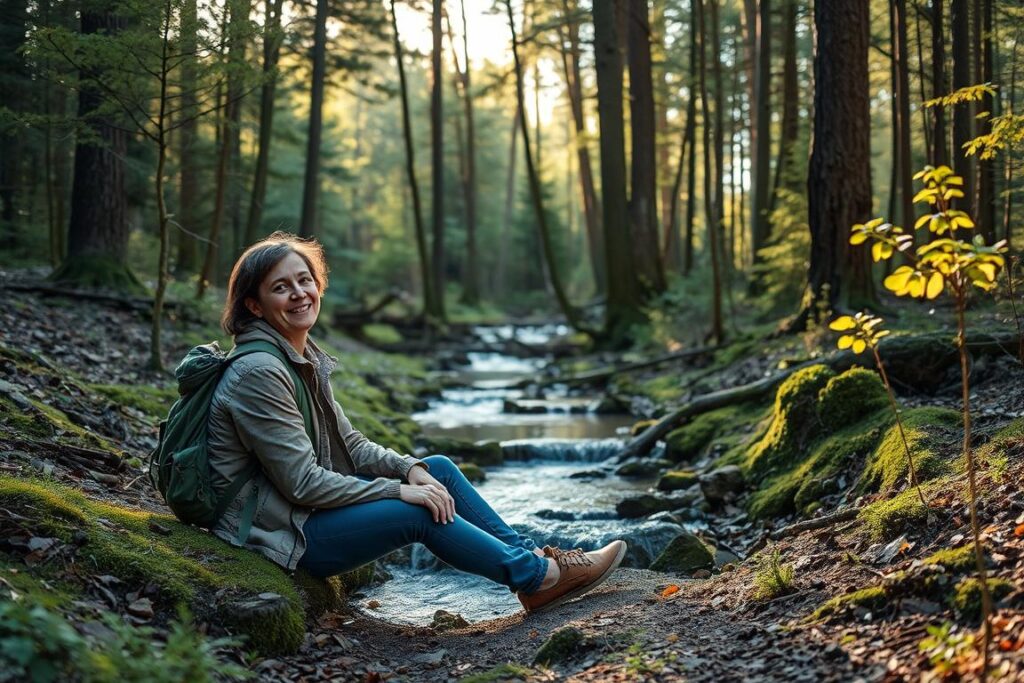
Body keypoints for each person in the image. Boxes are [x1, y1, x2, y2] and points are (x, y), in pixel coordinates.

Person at [207, 232, 626, 614]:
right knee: (418, 512)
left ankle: (536, 565)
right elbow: (302, 483)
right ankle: (539, 579)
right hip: (276, 532)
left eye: (305, 280)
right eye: (281, 287)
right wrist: (399, 490)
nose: (300, 294)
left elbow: (350, 445)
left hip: (296, 514)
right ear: (254, 305)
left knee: (436, 469)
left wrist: (410, 469)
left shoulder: (298, 355)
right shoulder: (261, 371)